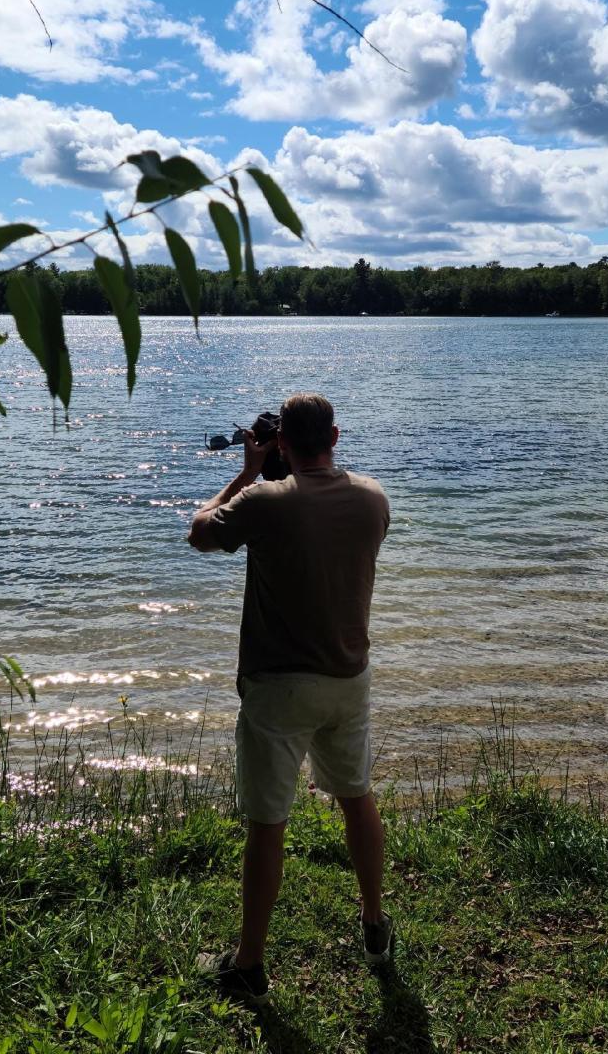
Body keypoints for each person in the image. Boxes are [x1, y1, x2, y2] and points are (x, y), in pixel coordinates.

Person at [188, 393, 392, 1005]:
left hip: (278, 687)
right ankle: (375, 927)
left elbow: (200, 533)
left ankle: (249, 964)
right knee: (356, 798)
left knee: (268, 826)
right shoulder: (373, 499)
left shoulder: (264, 501)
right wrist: (275, 467)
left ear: (282, 443)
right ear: (335, 433)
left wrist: (248, 472)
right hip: (347, 679)